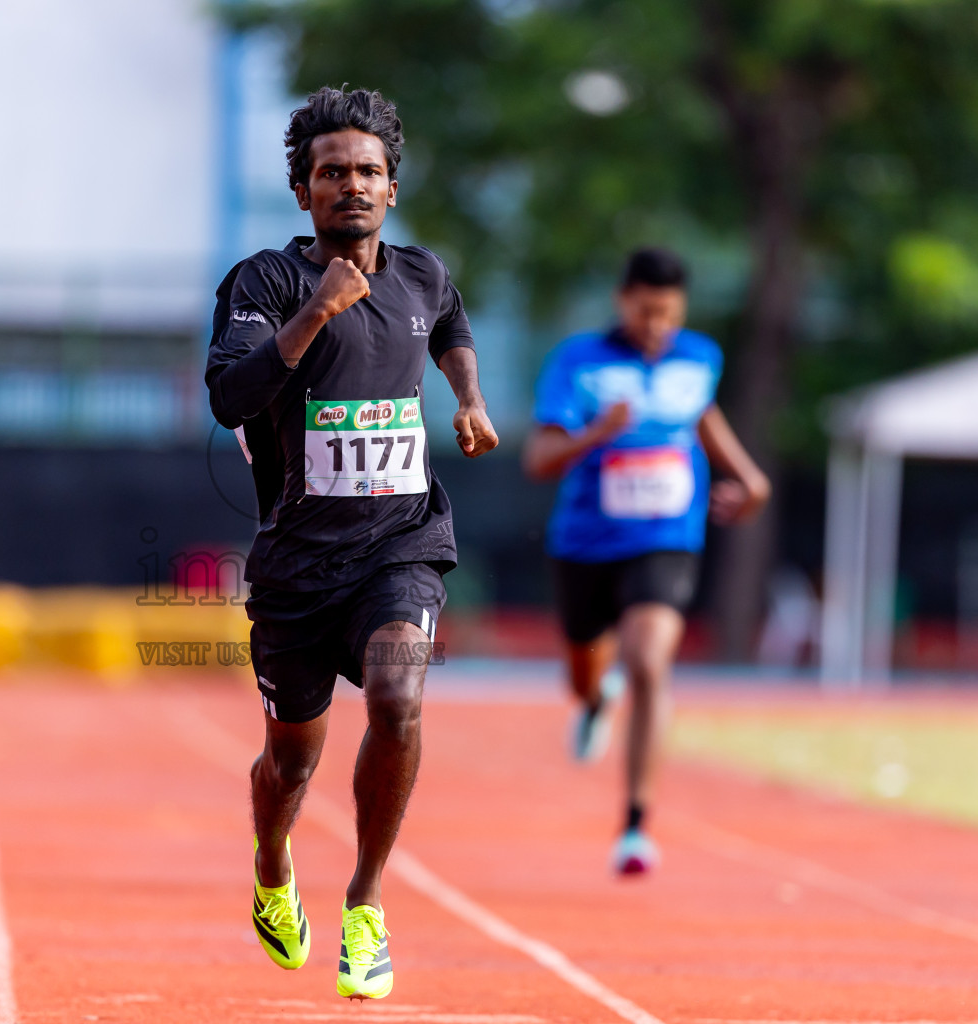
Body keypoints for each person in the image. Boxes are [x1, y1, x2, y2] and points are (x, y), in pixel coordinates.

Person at [205, 86, 497, 1000]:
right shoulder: (264, 283)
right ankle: (272, 862)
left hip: (400, 543)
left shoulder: (422, 275)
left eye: (369, 171)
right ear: (304, 191)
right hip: (298, 563)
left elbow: (451, 325)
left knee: (398, 696)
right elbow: (230, 397)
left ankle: (365, 903)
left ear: (392, 188)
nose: (353, 186)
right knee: (291, 760)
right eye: (332, 173)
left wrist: (469, 397)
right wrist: (318, 312)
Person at [522, 247, 769, 876]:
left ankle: (635, 826)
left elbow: (702, 415)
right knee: (584, 675)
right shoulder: (578, 361)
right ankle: (595, 701)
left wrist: (750, 480)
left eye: (668, 313)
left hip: (666, 536)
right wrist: (597, 434)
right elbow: (539, 459)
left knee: (649, 661)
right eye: (645, 311)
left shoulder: (700, 356)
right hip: (585, 542)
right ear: (621, 301)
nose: (657, 325)